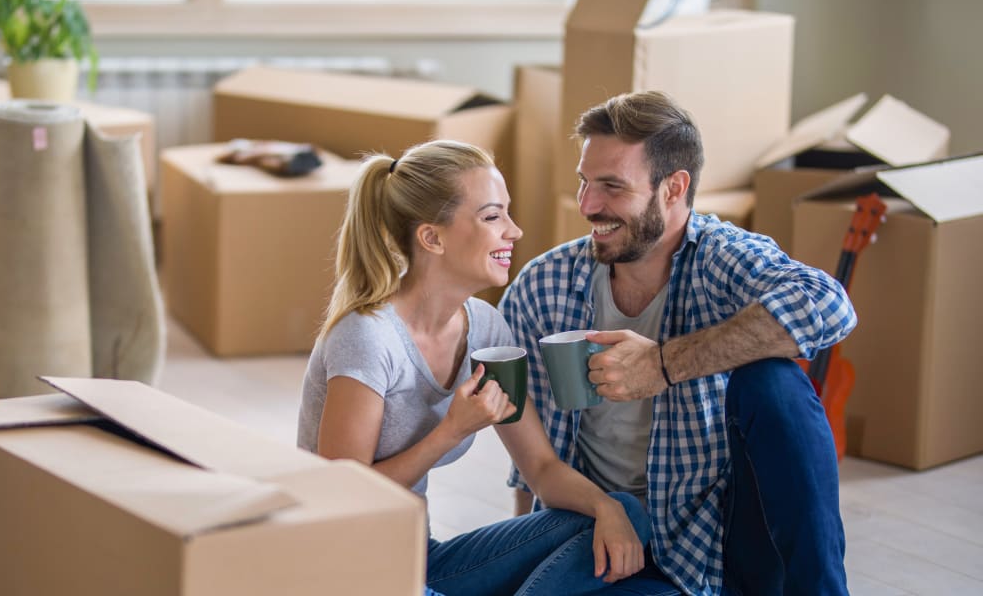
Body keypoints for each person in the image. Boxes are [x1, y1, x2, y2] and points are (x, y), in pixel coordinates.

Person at [500, 90, 855, 596]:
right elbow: (531, 465)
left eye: (611, 186)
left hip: (717, 539)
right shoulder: (543, 286)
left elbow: (828, 304)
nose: (587, 205)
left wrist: (662, 364)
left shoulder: (722, 259)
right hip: (605, 539)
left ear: (673, 187)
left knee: (773, 382)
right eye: (584, 183)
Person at [298, 139, 670, 595]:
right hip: (348, 577)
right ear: (432, 238)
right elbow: (342, 493)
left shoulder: (487, 330)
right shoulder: (368, 336)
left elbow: (540, 468)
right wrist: (450, 431)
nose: (513, 231)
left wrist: (608, 509)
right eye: (493, 217)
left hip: (419, 560)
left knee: (621, 512)